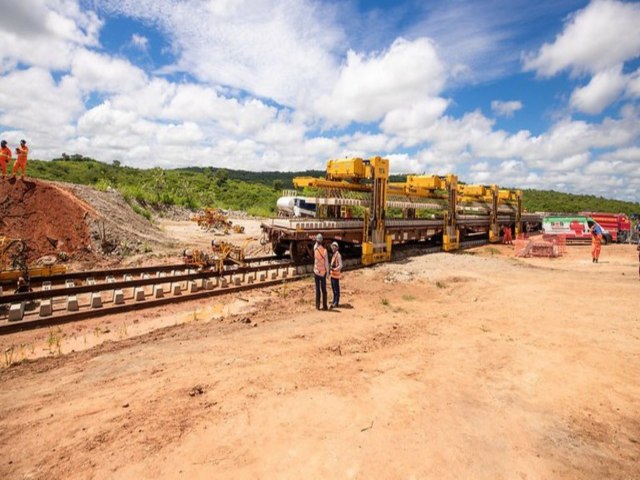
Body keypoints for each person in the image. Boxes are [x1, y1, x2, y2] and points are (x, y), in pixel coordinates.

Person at [313, 233, 329, 310]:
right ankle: (325, 306)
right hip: (323, 273)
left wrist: (317, 240)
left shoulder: (315, 248)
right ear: (322, 241)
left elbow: (316, 244)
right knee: (324, 290)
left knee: (317, 289)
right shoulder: (325, 251)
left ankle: (317, 306)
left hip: (316, 272)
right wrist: (328, 272)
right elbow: (326, 264)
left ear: (317, 241)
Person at [329, 241, 343, 308]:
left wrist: (334, 269)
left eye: (334, 247)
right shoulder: (334, 255)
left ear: (337, 248)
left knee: (336, 290)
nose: (333, 248)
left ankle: (336, 302)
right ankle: (334, 301)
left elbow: (340, 265)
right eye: (332, 246)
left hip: (335, 275)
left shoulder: (338, 255)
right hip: (332, 275)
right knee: (334, 289)